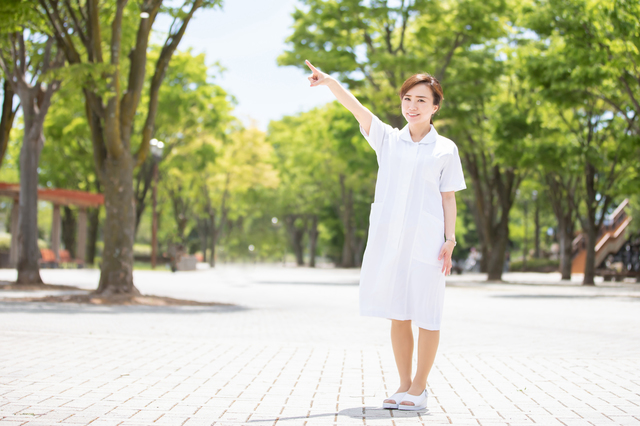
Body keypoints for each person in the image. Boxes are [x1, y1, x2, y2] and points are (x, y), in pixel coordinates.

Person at [305, 60, 466, 411]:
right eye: (407, 98)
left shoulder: (445, 149)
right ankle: (404, 384)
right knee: (399, 313)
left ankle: (421, 388)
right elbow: (357, 110)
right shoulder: (388, 140)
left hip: (429, 245)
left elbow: (448, 197)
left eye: (421, 100)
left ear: (435, 106)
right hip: (392, 244)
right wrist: (331, 82)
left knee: (427, 314)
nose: (412, 106)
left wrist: (450, 240)